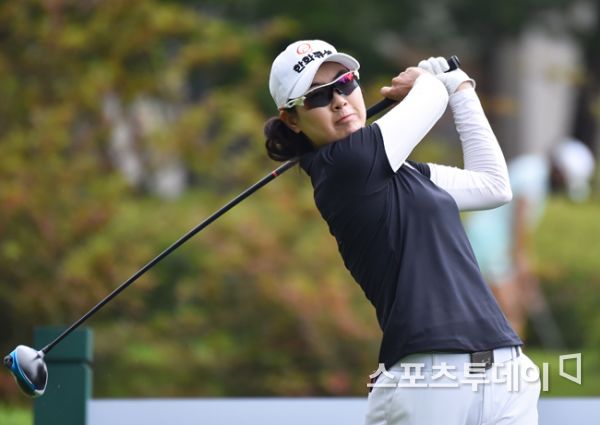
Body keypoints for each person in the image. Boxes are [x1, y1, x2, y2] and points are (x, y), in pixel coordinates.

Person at [265, 39, 540, 425]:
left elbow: (494, 186)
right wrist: (430, 78)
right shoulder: (342, 167)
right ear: (292, 119)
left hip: (505, 368)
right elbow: (430, 98)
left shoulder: (401, 171)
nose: (340, 101)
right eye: (318, 97)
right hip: (430, 376)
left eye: (344, 83)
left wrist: (461, 89)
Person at [464, 139, 595, 345]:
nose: (562, 188)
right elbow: (519, 223)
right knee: (509, 310)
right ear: (559, 170)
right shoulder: (533, 176)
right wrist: (522, 263)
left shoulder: (535, 170)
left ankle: (506, 359)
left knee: (509, 310)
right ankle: (505, 361)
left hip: (495, 244)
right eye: (565, 181)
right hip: (489, 244)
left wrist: (522, 270)